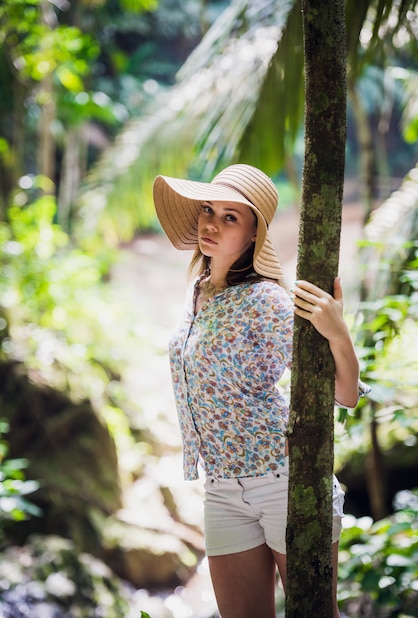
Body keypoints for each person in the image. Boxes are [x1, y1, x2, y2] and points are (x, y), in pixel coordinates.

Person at [153, 164, 368, 618]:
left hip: (283, 482)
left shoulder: (266, 300)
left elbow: (344, 394)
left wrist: (338, 333)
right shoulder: (198, 292)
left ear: (254, 234)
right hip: (222, 488)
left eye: (231, 216)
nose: (211, 222)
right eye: (208, 209)